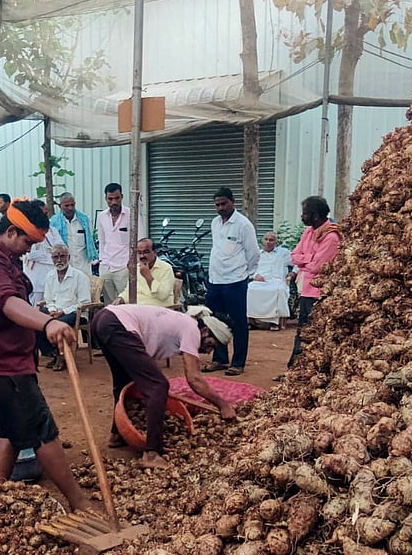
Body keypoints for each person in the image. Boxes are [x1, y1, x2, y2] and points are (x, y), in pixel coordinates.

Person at [0, 198, 95, 513]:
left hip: (0, 360)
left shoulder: (4, 255)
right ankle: (79, 502)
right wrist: (47, 323)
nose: (29, 250)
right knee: (41, 431)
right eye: (27, 242)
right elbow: (8, 303)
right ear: (8, 231)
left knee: (11, 429)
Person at [91, 304, 236, 469]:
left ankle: (117, 435)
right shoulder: (192, 329)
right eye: (211, 344)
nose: (208, 351)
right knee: (158, 386)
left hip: (104, 319)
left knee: (124, 381)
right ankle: (152, 453)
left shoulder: (183, 322)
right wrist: (223, 405)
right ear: (205, 331)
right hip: (117, 324)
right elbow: (194, 379)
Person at [202, 187, 258, 376]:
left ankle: (238, 362)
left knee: (238, 323)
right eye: (217, 204)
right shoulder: (215, 223)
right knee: (215, 322)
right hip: (215, 280)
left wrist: (245, 275)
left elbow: (253, 254)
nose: (220, 208)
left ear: (233, 202)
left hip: (235, 281)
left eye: (224, 203)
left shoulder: (243, 225)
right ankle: (220, 359)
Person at [286, 195, 342, 376]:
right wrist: (307, 260)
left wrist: (304, 261)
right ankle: (294, 369)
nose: (302, 217)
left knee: (312, 332)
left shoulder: (331, 237)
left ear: (315, 215)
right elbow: (293, 255)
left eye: (305, 214)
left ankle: (306, 372)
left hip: (318, 293)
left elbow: (319, 266)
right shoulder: (309, 231)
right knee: (302, 331)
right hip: (305, 289)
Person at [37, 244, 92, 371]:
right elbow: (48, 299)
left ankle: (62, 357)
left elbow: (84, 302)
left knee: (58, 324)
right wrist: (52, 310)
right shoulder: (50, 276)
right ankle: (54, 353)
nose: (59, 260)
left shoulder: (80, 276)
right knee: (38, 320)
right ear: (52, 259)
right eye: (56, 257)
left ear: (69, 257)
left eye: (62, 256)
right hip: (55, 311)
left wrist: (63, 312)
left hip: (75, 313)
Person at [96, 182, 145, 305]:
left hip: (124, 267)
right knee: (110, 304)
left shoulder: (131, 214)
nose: (114, 202)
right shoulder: (102, 216)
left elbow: (141, 240)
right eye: (110, 199)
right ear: (105, 198)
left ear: (122, 197)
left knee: (126, 301)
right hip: (106, 267)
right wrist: (102, 259)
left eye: (117, 198)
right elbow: (101, 241)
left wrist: (133, 262)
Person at [246, 230, 294, 330]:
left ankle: (274, 322)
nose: (268, 242)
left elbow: (298, 262)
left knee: (279, 290)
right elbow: (247, 268)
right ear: (262, 241)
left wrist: (293, 273)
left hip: (277, 281)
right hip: (260, 282)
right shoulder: (257, 254)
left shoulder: (283, 253)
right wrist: (255, 276)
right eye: (266, 239)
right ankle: (251, 321)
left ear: (276, 242)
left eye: (271, 240)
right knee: (249, 289)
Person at [114, 238, 176, 307]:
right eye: (139, 253)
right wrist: (121, 298)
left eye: (146, 252)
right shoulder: (136, 268)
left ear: (155, 252)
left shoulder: (166, 268)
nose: (142, 256)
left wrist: (147, 276)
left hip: (158, 310)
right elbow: (129, 290)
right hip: (137, 308)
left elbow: (163, 295)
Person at [49, 191, 96, 274]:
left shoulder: (84, 220)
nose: (70, 208)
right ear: (60, 206)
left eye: (72, 205)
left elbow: (89, 241)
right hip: (64, 267)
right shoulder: (53, 222)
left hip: (83, 266)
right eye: (66, 205)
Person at [23, 198, 58, 306]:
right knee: (34, 309)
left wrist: (51, 254)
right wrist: (50, 255)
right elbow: (31, 255)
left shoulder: (52, 230)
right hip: (36, 279)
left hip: (51, 277)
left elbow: (61, 247)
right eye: (43, 213)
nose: (45, 215)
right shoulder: (27, 230)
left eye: (46, 213)